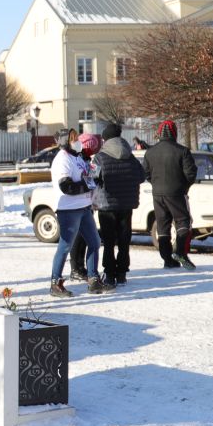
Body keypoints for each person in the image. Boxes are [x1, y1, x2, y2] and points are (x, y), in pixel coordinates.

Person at [48, 129, 108, 297]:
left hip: (84, 207)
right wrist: (87, 185)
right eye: (74, 139)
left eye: (77, 139)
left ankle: (93, 279)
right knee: (65, 245)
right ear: (65, 141)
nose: (78, 142)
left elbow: (86, 176)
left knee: (95, 242)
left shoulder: (77, 157)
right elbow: (66, 187)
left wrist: (94, 178)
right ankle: (55, 283)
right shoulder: (62, 159)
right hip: (69, 209)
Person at [90, 122, 145, 286]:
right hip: (127, 205)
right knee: (123, 240)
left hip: (106, 205)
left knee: (108, 242)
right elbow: (141, 176)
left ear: (105, 139)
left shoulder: (99, 157)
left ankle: (109, 274)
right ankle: (121, 273)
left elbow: (92, 179)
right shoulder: (131, 156)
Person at [144, 119, 198, 269]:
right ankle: (180, 252)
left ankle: (167, 259)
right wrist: (184, 186)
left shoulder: (150, 152)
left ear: (160, 133)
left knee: (163, 226)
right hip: (176, 192)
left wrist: (156, 184)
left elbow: (146, 173)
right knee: (183, 222)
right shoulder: (182, 151)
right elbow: (191, 173)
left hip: (157, 193)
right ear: (174, 132)